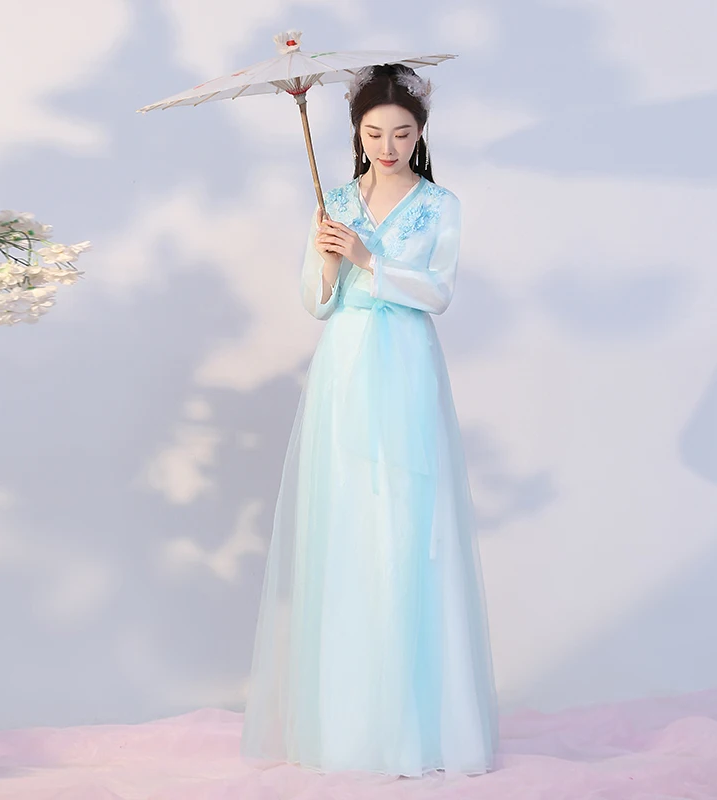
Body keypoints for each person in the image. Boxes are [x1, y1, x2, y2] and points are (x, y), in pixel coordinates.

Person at [239, 63, 499, 778]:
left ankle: (419, 727)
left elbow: (438, 292)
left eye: (402, 133)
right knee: (348, 522)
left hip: (407, 365)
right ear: (357, 133)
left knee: (409, 524)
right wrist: (329, 260)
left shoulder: (440, 204)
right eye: (375, 133)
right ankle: (350, 730)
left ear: (421, 135)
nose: (388, 146)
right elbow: (317, 303)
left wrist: (367, 257)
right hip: (345, 365)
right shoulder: (334, 203)